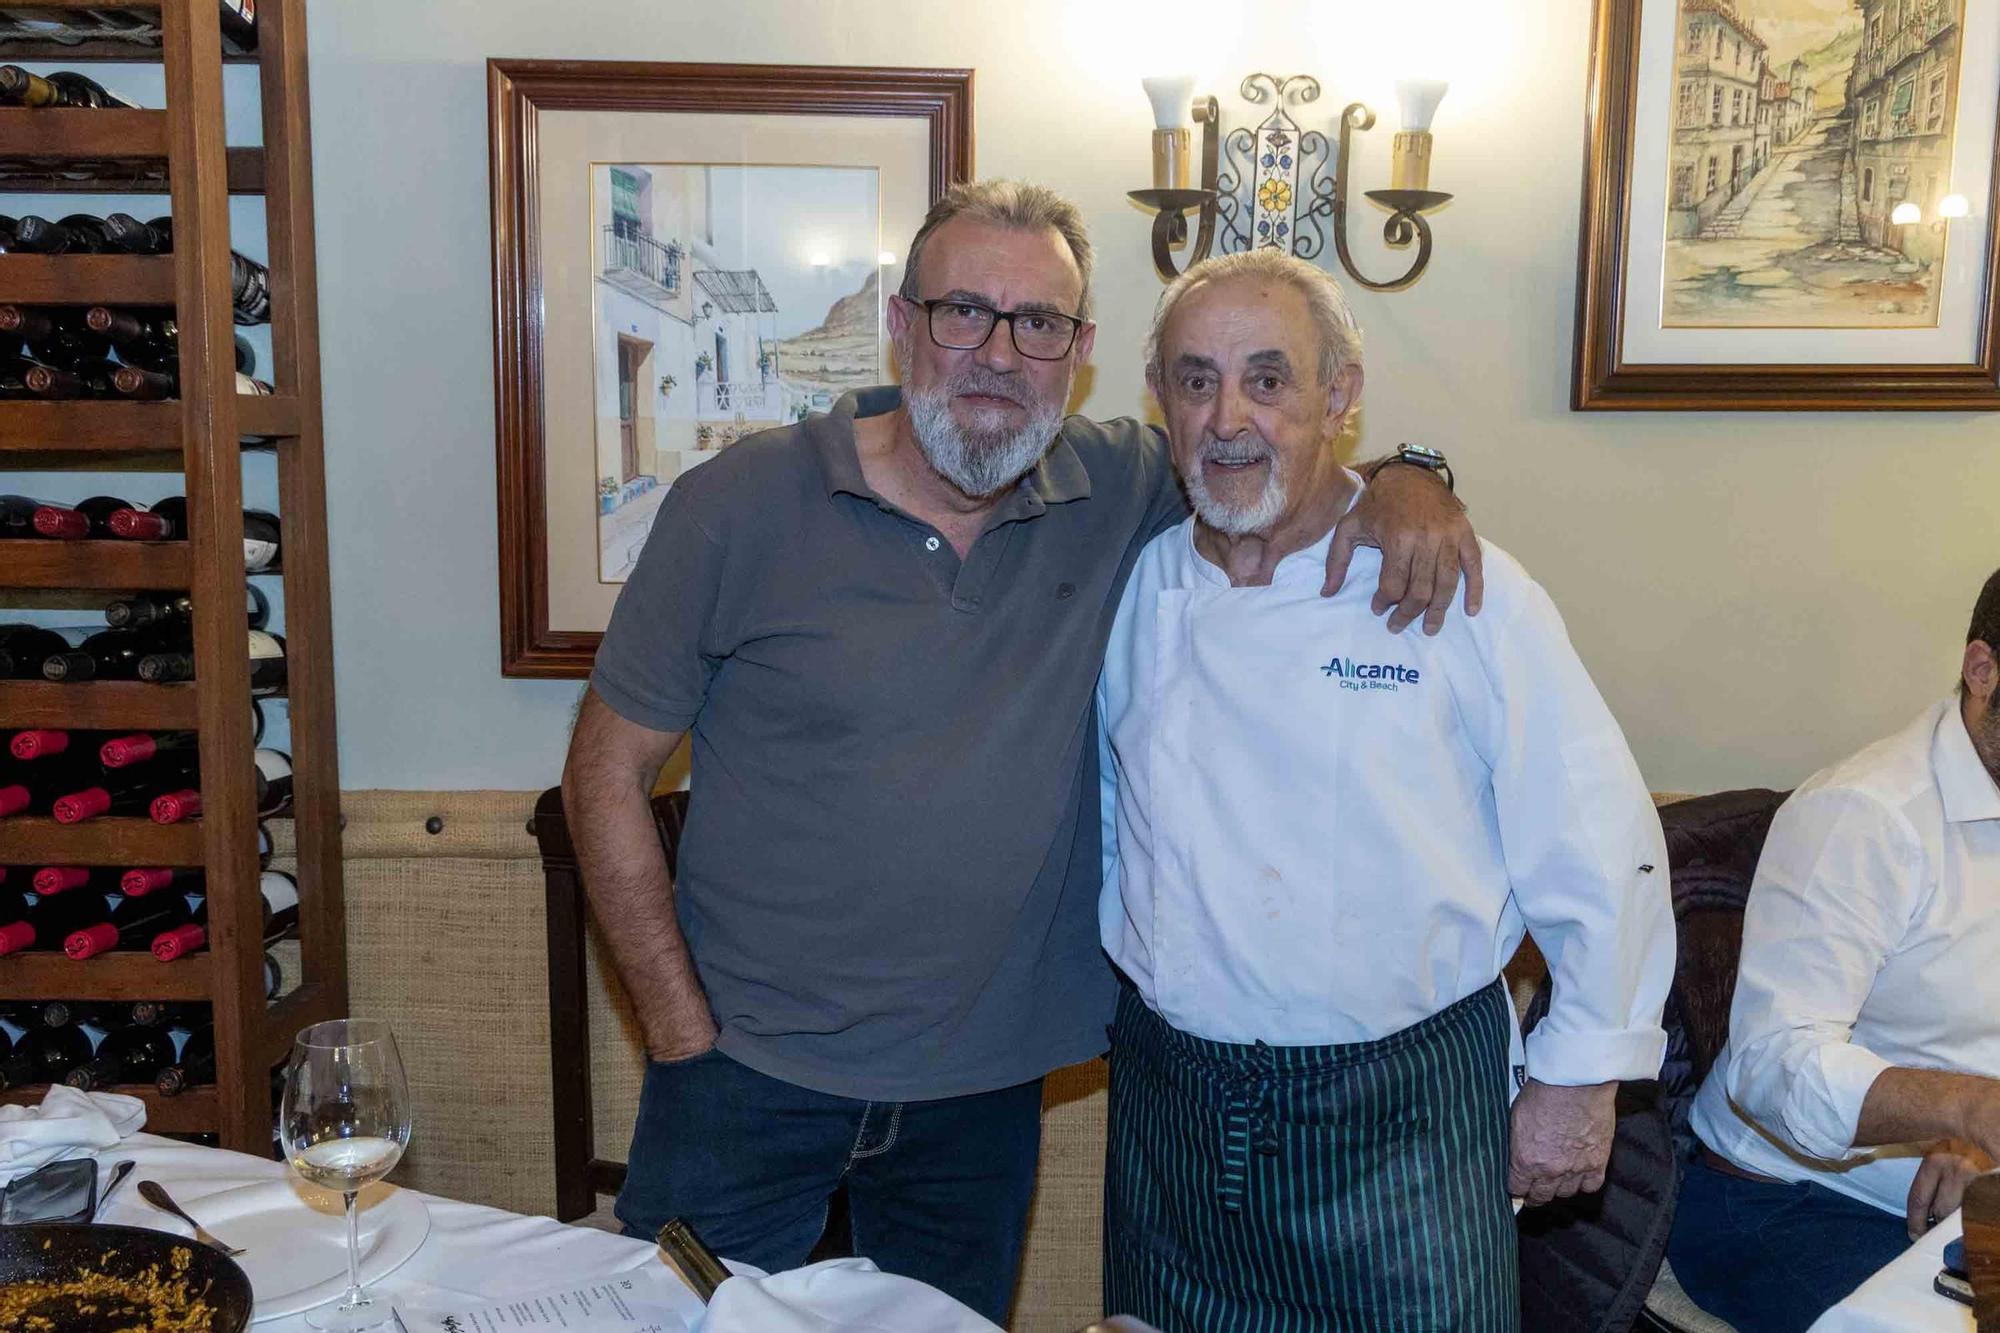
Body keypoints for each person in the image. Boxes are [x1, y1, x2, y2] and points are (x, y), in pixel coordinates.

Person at [560, 181, 1478, 1322]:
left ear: (1078, 354)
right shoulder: (736, 505)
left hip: (980, 1102)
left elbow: (1264, 456)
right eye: (964, 312)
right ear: (902, 326)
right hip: (741, 1082)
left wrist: (1410, 473)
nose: (999, 353)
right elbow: (602, 773)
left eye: (1037, 322)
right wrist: (676, 1030)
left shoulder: (1123, 487)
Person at [1095, 248, 1674, 1332]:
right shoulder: (1134, 584)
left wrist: (1580, 1075)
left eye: (1269, 379)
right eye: (1195, 380)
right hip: (1175, 1115)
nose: (1228, 417)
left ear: (1339, 398)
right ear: (1160, 400)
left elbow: (1597, 836)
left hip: (1404, 1119)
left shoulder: (1456, 587)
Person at [1671, 568, 2000, 1333]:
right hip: (1777, 1201)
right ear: (1982, 669)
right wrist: (1967, 1106)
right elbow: (1770, 1062)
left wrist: (1982, 1152)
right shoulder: (1867, 815)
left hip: (1953, 1197)